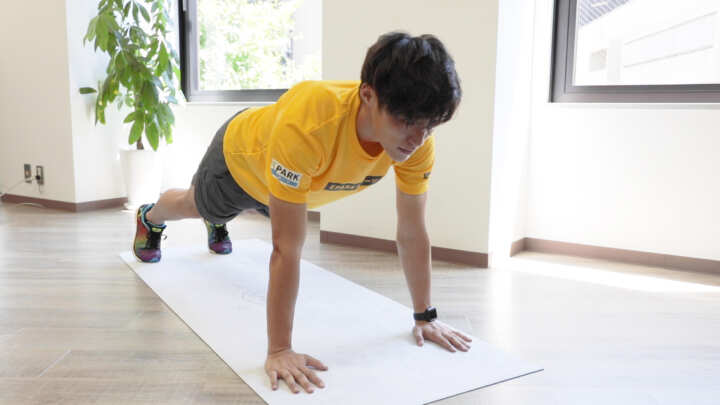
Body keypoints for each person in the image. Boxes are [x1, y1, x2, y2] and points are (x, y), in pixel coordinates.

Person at [131, 31, 472, 394]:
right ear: (368, 95)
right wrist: (279, 350)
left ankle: (218, 223)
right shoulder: (309, 126)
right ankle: (151, 216)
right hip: (239, 164)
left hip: (291, 183)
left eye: (429, 125)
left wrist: (425, 316)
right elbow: (286, 249)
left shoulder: (416, 141)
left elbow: (412, 230)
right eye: (406, 121)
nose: (418, 139)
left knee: (252, 214)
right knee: (194, 205)